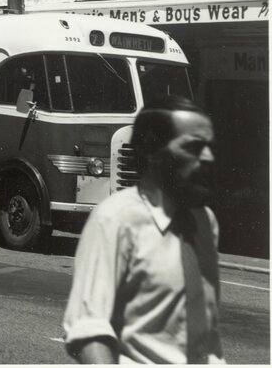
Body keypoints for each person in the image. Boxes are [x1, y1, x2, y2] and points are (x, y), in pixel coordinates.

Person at [63, 97, 223, 364]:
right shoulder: (115, 219)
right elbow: (88, 332)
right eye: (194, 147)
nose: (208, 157)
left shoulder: (205, 221)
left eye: (210, 147)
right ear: (152, 151)